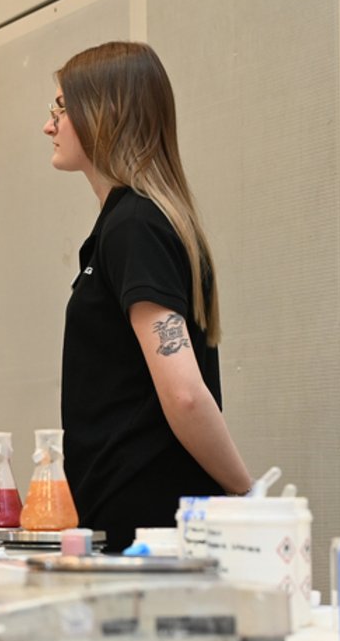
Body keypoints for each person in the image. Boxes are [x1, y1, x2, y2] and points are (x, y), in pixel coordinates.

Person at [46, 41, 253, 551]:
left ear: (103, 114)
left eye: (60, 109)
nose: (49, 126)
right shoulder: (121, 225)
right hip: (127, 519)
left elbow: (183, 392)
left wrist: (249, 496)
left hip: (149, 528)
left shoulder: (135, 226)